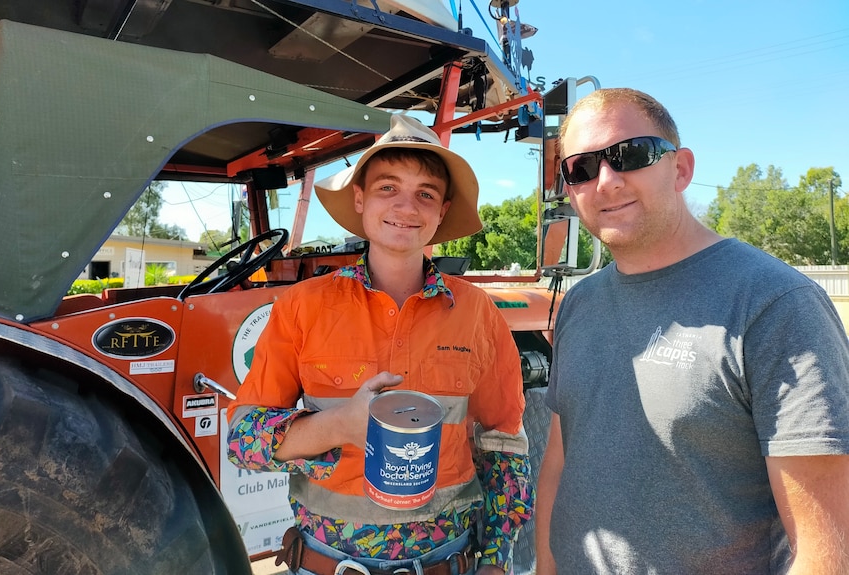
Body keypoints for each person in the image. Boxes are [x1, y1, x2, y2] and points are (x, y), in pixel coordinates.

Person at [535, 88, 849, 574]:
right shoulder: (580, 303)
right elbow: (559, 463)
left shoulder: (774, 305)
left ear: (681, 168)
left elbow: (827, 550)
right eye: (581, 168)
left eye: (630, 154)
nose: (606, 181)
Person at [227, 114, 534, 575]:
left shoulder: (478, 314)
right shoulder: (302, 307)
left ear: (442, 210)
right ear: (360, 198)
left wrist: (495, 562)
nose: (407, 207)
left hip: (449, 563)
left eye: (425, 193)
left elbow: (503, 446)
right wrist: (337, 427)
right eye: (388, 187)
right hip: (324, 564)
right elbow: (242, 440)